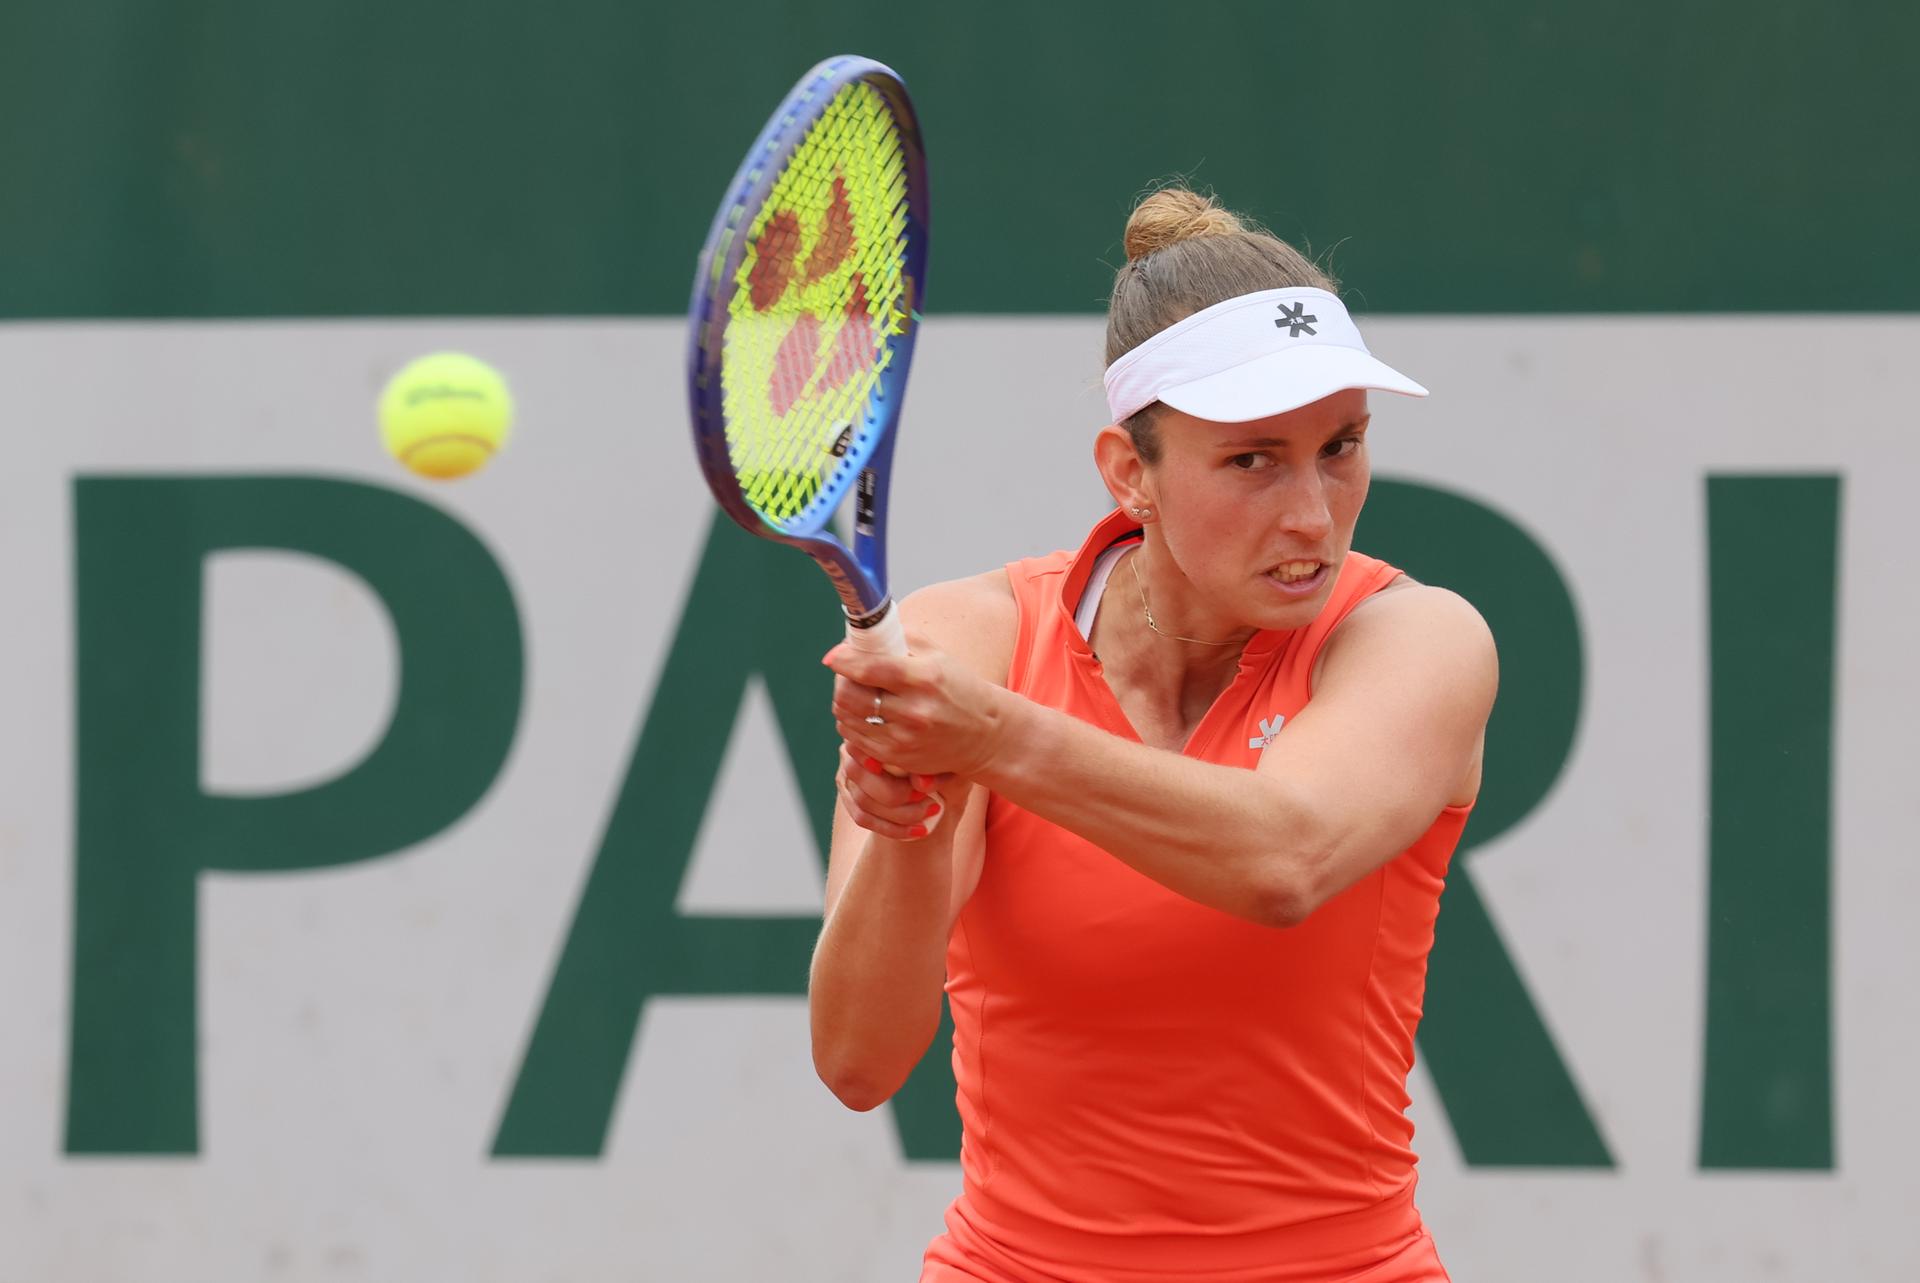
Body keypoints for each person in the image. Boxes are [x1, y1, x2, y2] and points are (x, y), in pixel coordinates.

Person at [809, 187, 1496, 1283]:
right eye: (1252, 460)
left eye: (1342, 446)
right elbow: (857, 1058)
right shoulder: (973, 639)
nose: (1314, 513)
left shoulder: (1417, 639)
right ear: (1131, 474)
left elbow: (1284, 855)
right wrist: (913, 821)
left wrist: (989, 738)